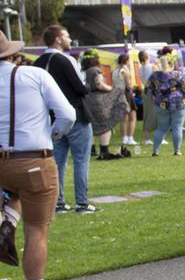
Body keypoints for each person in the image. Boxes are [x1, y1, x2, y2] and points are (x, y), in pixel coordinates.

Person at [0, 32, 75, 280]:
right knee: (37, 229)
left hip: (1, 161)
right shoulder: (34, 75)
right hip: (33, 159)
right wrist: (51, 134)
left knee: (14, 194)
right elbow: (66, 114)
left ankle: (8, 222)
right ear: (11, 53)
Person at [34, 25, 96, 214]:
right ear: (58, 39)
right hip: (75, 116)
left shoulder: (37, 63)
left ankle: (59, 203)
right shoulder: (65, 60)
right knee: (80, 160)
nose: (70, 40)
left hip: (52, 120)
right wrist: (87, 85)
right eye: (67, 36)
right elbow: (80, 87)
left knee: (58, 163)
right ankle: (82, 203)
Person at [147, 51, 185, 156]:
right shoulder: (179, 75)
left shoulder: (155, 76)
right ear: (172, 64)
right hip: (179, 105)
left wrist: (155, 98)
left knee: (161, 128)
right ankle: (177, 150)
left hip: (161, 105)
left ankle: (155, 151)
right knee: (177, 127)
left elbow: (148, 90)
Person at [80, 53, 121, 160]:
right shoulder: (96, 70)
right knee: (106, 125)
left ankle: (91, 149)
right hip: (98, 100)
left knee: (93, 124)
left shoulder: (84, 71)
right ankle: (104, 151)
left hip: (88, 99)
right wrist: (111, 89)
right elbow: (99, 84)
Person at [93, 53, 133, 159]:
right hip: (124, 93)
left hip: (115, 92)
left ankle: (124, 136)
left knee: (122, 118)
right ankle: (129, 137)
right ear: (126, 61)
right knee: (130, 117)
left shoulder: (114, 71)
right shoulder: (125, 71)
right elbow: (129, 84)